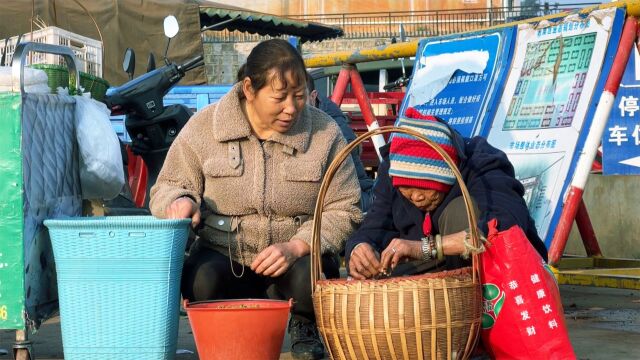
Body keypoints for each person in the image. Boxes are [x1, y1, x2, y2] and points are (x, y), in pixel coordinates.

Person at [150, 39, 363, 360]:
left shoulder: (325, 133)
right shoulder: (204, 127)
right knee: (199, 280)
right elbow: (167, 186)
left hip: (294, 264)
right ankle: (224, 331)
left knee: (313, 279)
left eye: (300, 96)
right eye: (280, 97)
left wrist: (297, 246)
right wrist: (180, 202)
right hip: (225, 255)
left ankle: (305, 325)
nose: (291, 108)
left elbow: (346, 208)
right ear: (249, 89)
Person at [345, 107, 548, 280]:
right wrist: (359, 248)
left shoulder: (481, 164)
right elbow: (375, 224)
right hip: (430, 268)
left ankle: (476, 308)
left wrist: (425, 248)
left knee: (460, 210)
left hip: (491, 271)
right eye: (406, 189)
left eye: (425, 187)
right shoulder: (392, 168)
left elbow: (504, 227)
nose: (416, 197)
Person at [305, 73, 376, 212]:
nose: (290, 106)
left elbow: (347, 191)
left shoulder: (334, 129)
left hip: (352, 199)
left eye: (298, 97)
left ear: (313, 97)